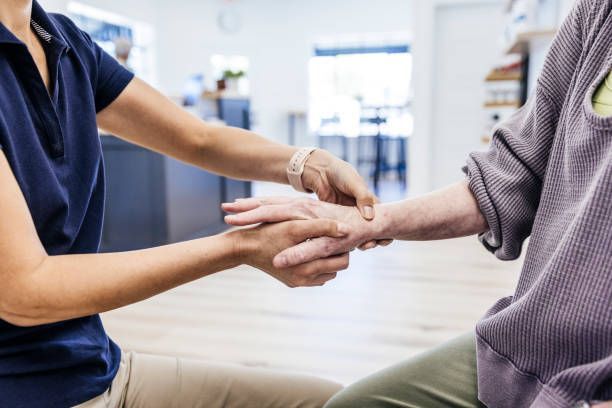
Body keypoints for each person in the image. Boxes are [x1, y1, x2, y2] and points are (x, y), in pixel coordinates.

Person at [223, 0, 612, 406]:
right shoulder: (597, 14)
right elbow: (509, 176)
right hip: (536, 342)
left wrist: (236, 247)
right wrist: (370, 221)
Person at [0, 1, 385, 407]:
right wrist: (239, 247)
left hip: (94, 370)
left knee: (338, 402)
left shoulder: (64, 41)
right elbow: (26, 290)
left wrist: (307, 164)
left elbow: (198, 139)